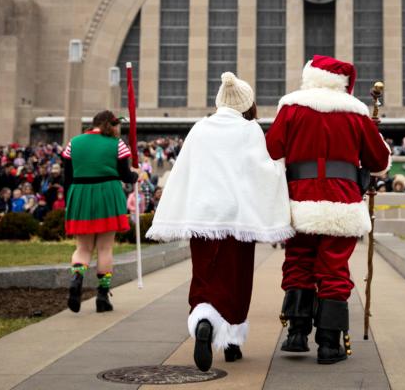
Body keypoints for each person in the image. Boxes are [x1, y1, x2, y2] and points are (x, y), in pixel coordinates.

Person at [146, 72, 293, 372]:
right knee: (237, 277)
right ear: (248, 104)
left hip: (203, 216)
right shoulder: (250, 131)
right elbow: (265, 171)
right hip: (238, 217)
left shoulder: (200, 129)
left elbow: (184, 171)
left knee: (204, 273)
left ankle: (203, 320)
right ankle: (232, 341)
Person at [266, 55, 391, 365]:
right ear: (344, 83)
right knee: (334, 269)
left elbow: (271, 151)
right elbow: (378, 163)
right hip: (342, 201)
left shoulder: (291, 108)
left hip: (299, 200)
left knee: (298, 262)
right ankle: (328, 344)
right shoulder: (357, 113)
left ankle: (296, 334)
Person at [61, 110, 139, 314]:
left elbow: (67, 177)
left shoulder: (74, 143)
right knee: (105, 248)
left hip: (80, 193)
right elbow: (125, 175)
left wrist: (69, 201)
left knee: (83, 248)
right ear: (111, 125)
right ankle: (102, 296)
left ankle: (76, 280)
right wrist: (135, 175)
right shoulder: (118, 144)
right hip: (107, 193)